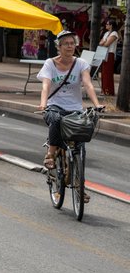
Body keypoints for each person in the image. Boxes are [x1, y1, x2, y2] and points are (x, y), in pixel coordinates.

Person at [38, 29, 102, 171]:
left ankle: (80, 188)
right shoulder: (50, 63)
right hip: (54, 106)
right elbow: (46, 85)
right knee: (55, 119)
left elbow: (87, 84)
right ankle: (51, 153)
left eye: (72, 43)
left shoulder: (81, 63)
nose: (69, 46)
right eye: (65, 44)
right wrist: (43, 104)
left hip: (75, 109)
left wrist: (97, 104)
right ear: (58, 47)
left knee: (81, 142)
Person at [98, 17, 120, 96]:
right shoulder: (106, 33)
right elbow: (100, 43)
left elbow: (107, 44)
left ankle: (108, 91)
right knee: (103, 73)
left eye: (107, 24)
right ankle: (104, 90)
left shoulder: (114, 33)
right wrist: (104, 42)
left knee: (108, 72)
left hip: (110, 54)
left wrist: (104, 42)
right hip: (104, 53)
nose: (106, 25)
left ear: (111, 25)